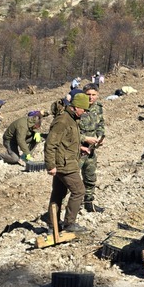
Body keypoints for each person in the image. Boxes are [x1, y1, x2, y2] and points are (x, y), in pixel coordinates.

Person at [44, 92, 90, 234]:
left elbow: (66, 141)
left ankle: (53, 226)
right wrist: (50, 165)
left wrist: (79, 148)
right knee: (79, 191)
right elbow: (50, 144)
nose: (84, 113)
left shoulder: (71, 119)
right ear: (76, 107)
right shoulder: (63, 121)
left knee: (58, 193)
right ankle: (69, 223)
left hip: (66, 161)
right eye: (84, 109)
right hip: (64, 164)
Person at [78, 85, 106, 213]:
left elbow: (100, 124)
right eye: (88, 94)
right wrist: (85, 138)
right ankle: (71, 206)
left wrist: (100, 136)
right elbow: (70, 132)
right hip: (77, 149)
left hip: (91, 149)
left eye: (93, 95)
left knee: (90, 176)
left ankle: (88, 203)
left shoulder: (98, 108)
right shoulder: (77, 109)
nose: (91, 97)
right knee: (71, 180)